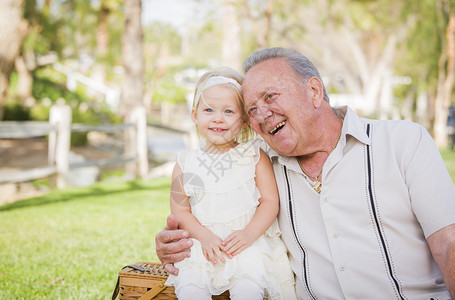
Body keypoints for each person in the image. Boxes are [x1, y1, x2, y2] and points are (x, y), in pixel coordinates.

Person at [156, 48, 455, 299]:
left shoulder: (402, 141)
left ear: (313, 91)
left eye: (270, 97)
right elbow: (196, 206)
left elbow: (448, 242)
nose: (261, 116)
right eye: (252, 109)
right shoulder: (259, 164)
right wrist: (173, 243)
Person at [163, 67, 296, 299]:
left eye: (228, 111)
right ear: (195, 115)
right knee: (190, 288)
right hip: (203, 245)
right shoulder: (185, 163)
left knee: (248, 287)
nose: (218, 118)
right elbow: (181, 210)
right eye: (208, 110)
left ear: (244, 119)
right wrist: (203, 236)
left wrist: (248, 234)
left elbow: (270, 201)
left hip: (246, 244)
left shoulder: (254, 156)